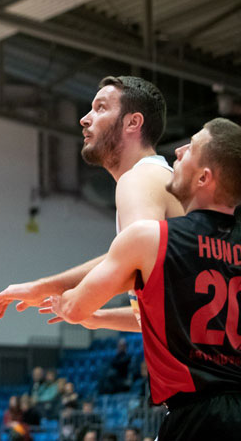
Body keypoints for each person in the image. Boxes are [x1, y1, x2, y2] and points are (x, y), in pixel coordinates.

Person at [49, 118, 241, 440]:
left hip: (195, 418)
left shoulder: (151, 238)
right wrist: (102, 319)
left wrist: (63, 300)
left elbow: (74, 308)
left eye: (191, 148)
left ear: (204, 177)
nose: (178, 151)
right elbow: (177, 317)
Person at [0, 76, 183, 331]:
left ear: (133, 122)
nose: (85, 118)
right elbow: (162, 311)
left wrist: (76, 302)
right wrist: (94, 315)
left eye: (101, 108)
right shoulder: (154, 178)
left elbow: (139, 259)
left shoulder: (139, 179)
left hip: (194, 368)